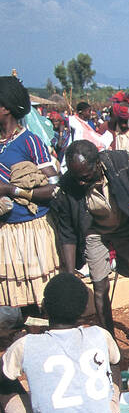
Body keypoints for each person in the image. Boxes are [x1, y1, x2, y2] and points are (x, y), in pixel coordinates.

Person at [0, 273, 121, 413]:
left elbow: (5, 378)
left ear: (44, 308)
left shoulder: (26, 344)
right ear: (84, 310)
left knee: (4, 386)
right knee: (114, 367)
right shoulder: (100, 334)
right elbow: (115, 363)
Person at [53, 140, 129, 348]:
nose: (81, 183)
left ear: (97, 164)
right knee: (99, 284)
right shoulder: (68, 186)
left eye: (85, 177)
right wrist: (68, 271)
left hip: (124, 225)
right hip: (93, 231)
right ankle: (108, 337)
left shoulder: (121, 162)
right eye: (77, 178)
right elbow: (67, 233)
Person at [0, 76, 61, 311]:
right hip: (7, 231)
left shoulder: (30, 141)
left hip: (32, 231)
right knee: (19, 299)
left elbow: (54, 189)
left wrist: (11, 189)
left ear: (5, 108)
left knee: (41, 298)